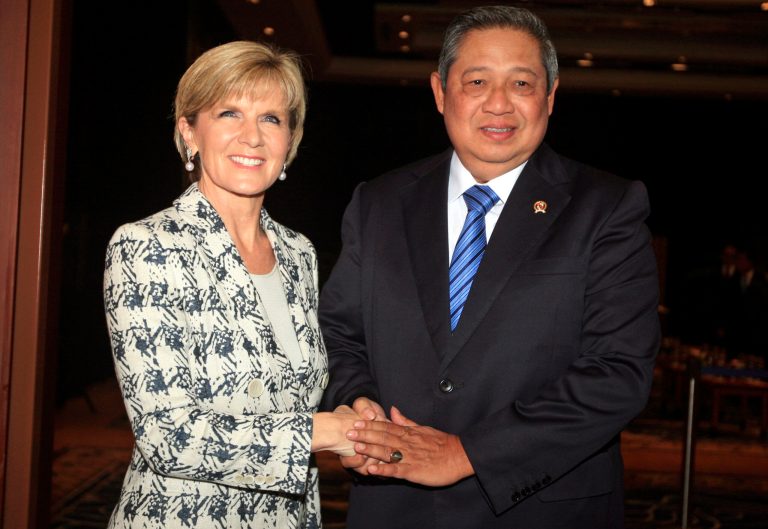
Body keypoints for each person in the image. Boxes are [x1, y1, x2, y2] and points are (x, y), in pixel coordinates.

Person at [319, 6, 660, 529]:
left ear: (549, 96)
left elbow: (617, 373)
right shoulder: (379, 202)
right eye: (476, 80)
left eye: (521, 82)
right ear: (440, 91)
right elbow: (340, 334)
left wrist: (466, 454)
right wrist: (360, 411)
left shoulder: (606, 208)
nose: (498, 103)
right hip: (393, 506)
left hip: (542, 511)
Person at [103, 41, 358, 529]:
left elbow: (292, 389)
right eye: (228, 113)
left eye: (271, 119)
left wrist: (356, 415)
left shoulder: (299, 253)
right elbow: (168, 436)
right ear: (189, 132)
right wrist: (322, 433)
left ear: (290, 140)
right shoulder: (146, 246)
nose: (252, 137)